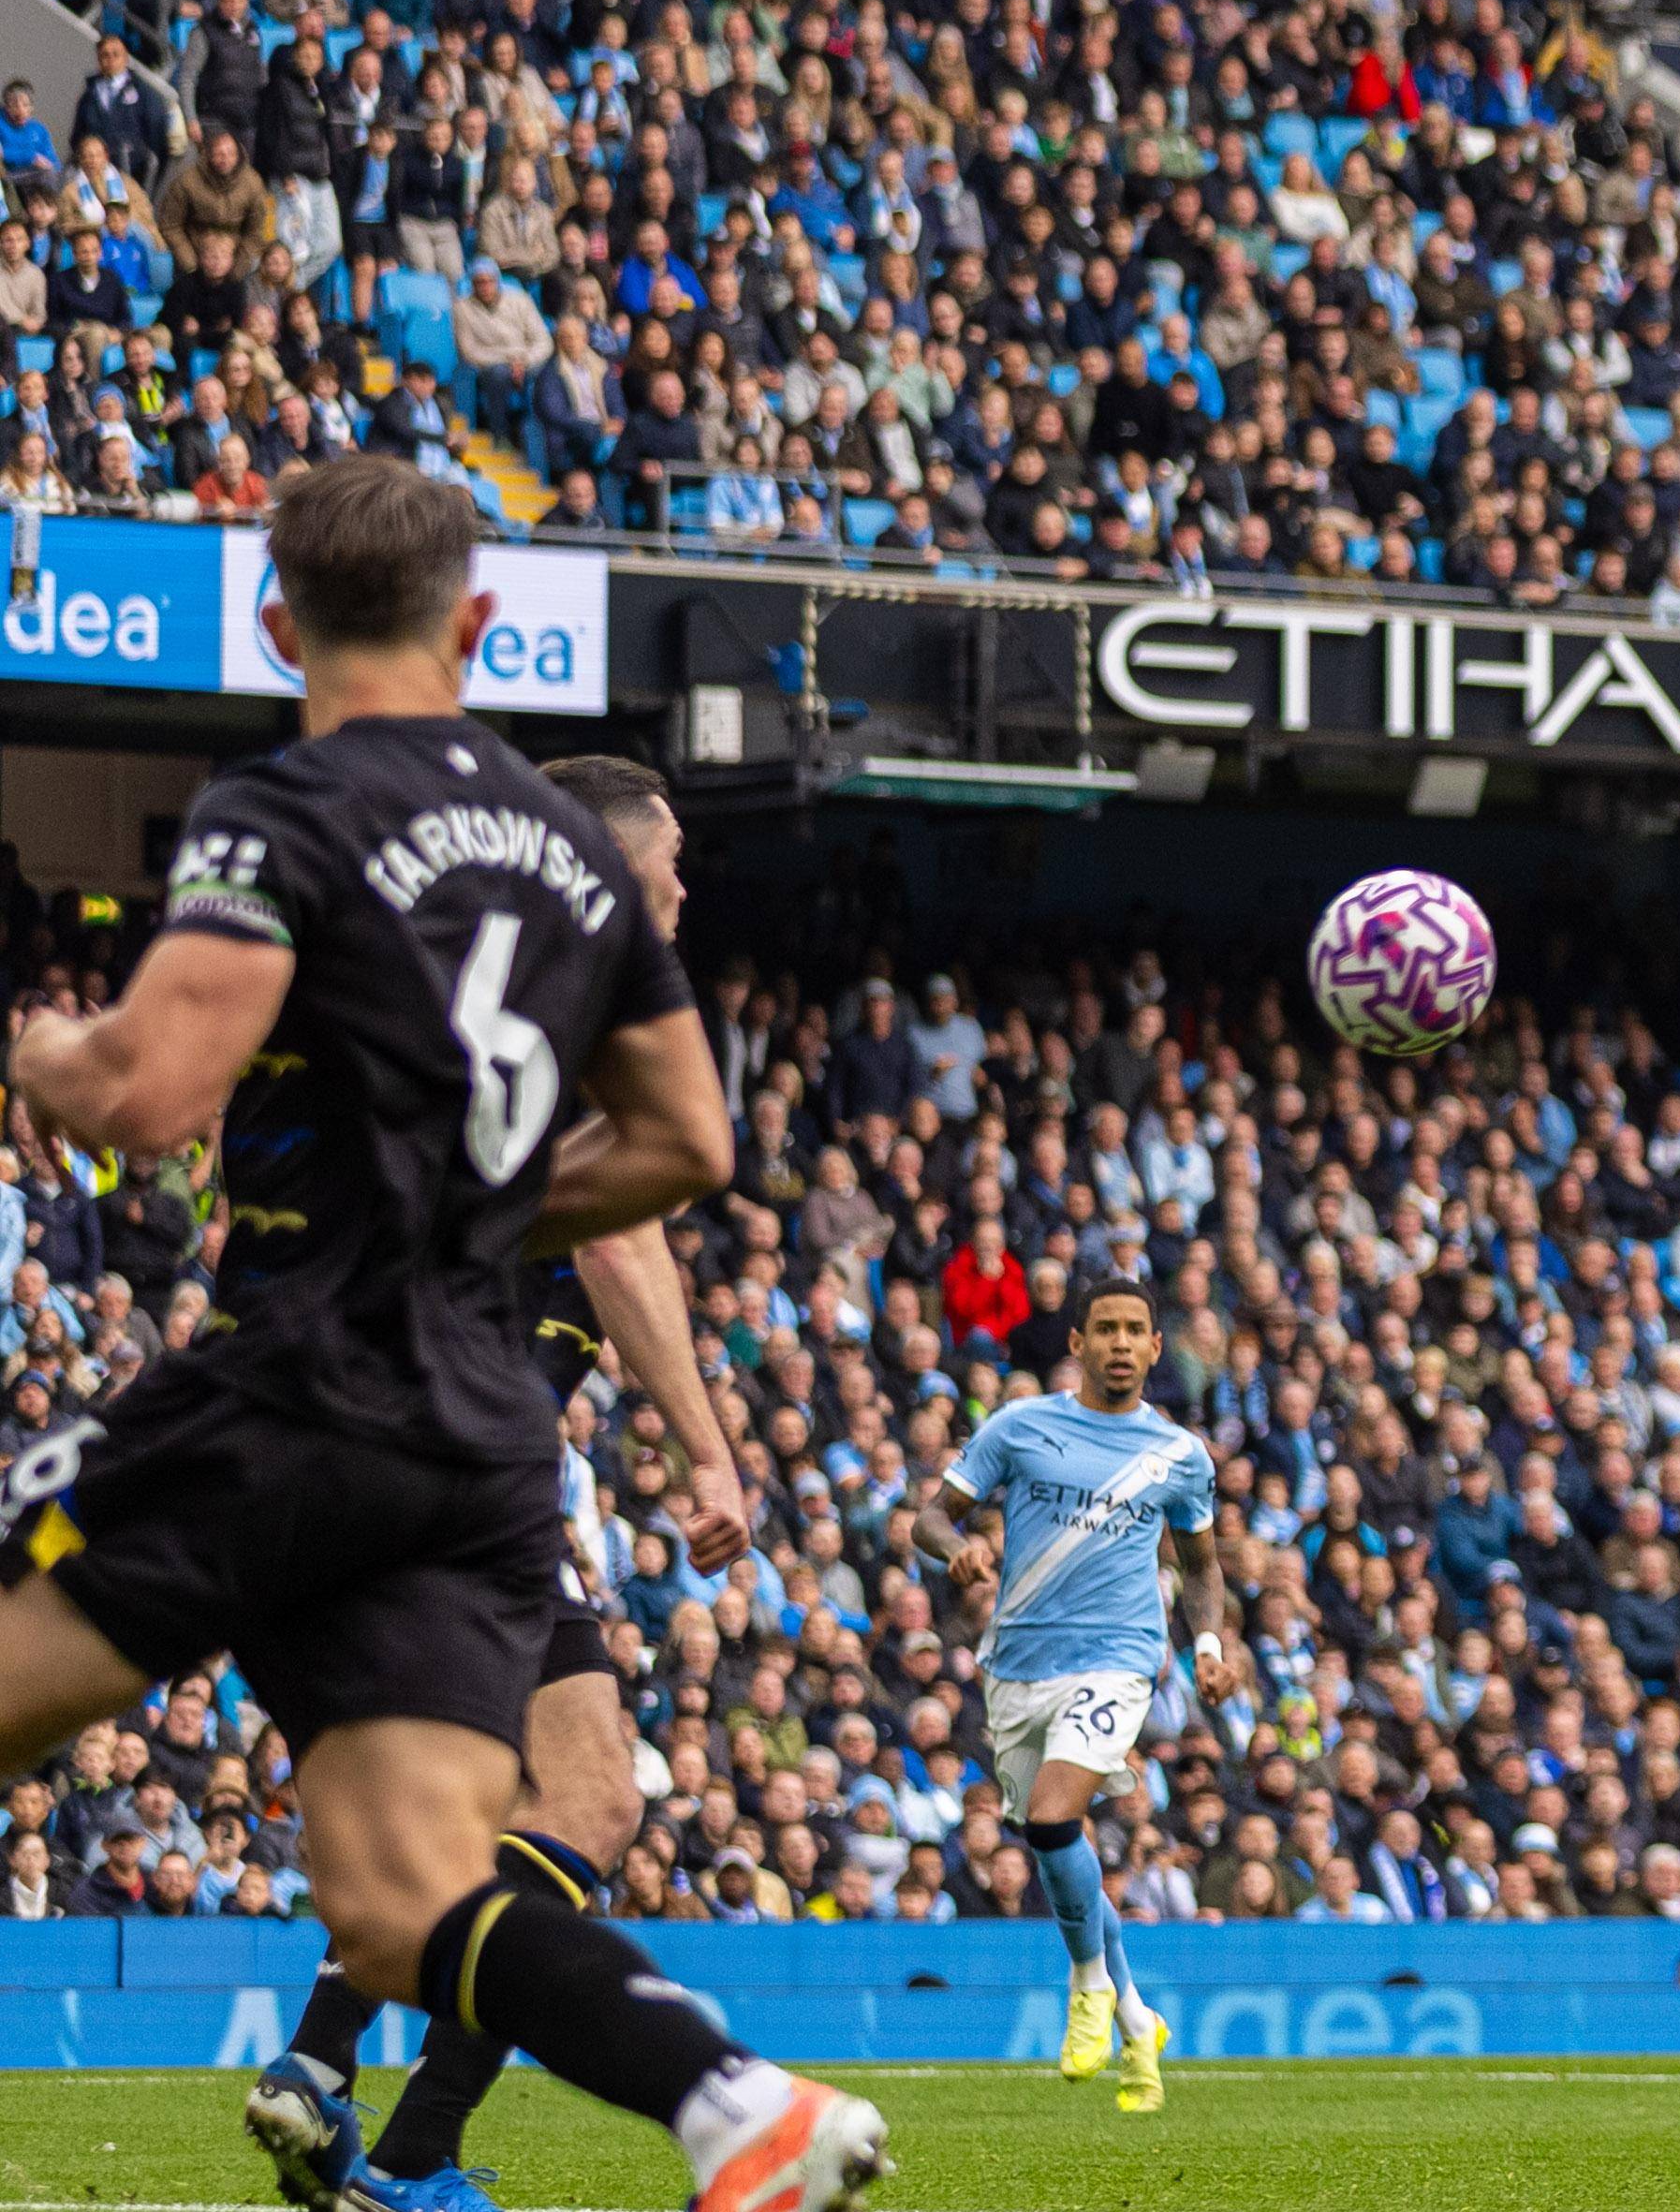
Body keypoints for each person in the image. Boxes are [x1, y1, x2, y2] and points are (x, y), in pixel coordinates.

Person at [0, 458, 887, 2212]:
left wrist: (36, 1048)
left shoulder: (285, 811)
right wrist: (473, 1221)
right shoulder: (574, 854)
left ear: (275, 625)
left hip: (291, 1387)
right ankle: (731, 2104)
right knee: (411, 1897)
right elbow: (690, 1145)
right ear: (477, 627)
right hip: (481, 1441)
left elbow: (154, 1094)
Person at [250, 756, 759, 2212]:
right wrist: (705, 1446)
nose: (681, 889)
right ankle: (404, 2148)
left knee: (474, 1815)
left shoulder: (425, 981)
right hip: (453, 1468)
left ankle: (325, 2077)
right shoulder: (581, 994)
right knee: (590, 1804)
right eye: (669, 864)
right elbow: (622, 1242)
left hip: (343, 1452)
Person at [905, 1276, 1234, 2114]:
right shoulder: (1022, 1426)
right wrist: (960, 1551)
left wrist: (1205, 1645)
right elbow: (929, 1519)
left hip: (1120, 1658)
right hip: (1015, 1663)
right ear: (1079, 1343)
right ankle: (1135, 2018)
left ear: (1157, 1348)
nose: (1122, 1343)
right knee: (1058, 1853)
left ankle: (1087, 1984)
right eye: (1107, 1330)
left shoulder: (1179, 1454)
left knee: (1052, 1819)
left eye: (1137, 1330)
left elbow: (1199, 1566)